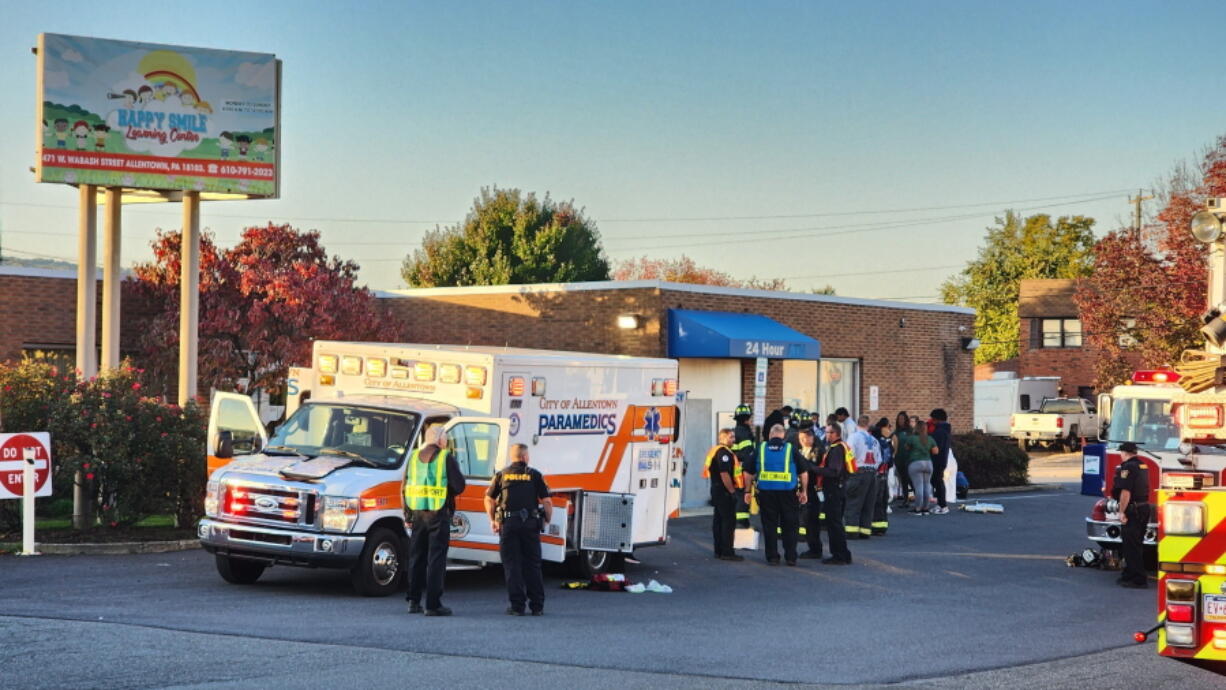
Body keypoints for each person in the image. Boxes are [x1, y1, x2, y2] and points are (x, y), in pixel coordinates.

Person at [404, 426, 466, 616]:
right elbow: (459, 485)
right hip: (438, 512)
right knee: (436, 559)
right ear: (440, 439)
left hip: (417, 511)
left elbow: (405, 485)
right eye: (446, 438)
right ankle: (433, 604)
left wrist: (407, 514)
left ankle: (413, 601)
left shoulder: (414, 457)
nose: (446, 442)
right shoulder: (445, 457)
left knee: (416, 557)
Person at [485, 444, 554, 615]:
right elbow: (547, 501)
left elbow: (488, 499)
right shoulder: (535, 475)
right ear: (524, 457)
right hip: (530, 524)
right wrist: (546, 519)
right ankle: (537, 606)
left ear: (512, 457)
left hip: (508, 524)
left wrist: (492, 519)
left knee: (512, 565)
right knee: (533, 565)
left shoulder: (501, 475)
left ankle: (517, 607)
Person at [745, 424, 808, 566]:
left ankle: (772, 557)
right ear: (783, 435)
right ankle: (791, 557)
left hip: (766, 494)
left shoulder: (760, 448)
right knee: (790, 525)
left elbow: (747, 472)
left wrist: (747, 491)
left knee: (770, 526)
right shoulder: (791, 449)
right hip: (788, 493)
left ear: (769, 435)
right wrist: (804, 491)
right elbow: (803, 472)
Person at [815, 423, 854, 565]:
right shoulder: (841, 446)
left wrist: (814, 469)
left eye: (829, 432)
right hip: (840, 488)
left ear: (836, 433)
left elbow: (833, 471)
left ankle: (839, 555)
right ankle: (844, 553)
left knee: (834, 523)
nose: (827, 435)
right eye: (826, 432)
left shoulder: (836, 449)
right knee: (836, 523)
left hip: (833, 490)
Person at [1113, 442, 1150, 588]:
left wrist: (1121, 512)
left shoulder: (1128, 467)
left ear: (1124, 452)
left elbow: (1125, 492)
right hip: (1143, 508)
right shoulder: (1143, 465)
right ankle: (1129, 573)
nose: (1120, 455)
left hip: (1133, 510)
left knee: (1130, 546)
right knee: (1137, 544)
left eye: (1120, 452)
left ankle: (1138, 579)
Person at [703, 428, 743, 561]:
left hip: (716, 489)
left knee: (719, 521)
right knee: (728, 522)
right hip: (724, 491)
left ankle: (719, 550)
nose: (734, 440)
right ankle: (727, 552)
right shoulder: (723, 453)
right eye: (731, 437)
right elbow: (724, 474)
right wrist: (732, 491)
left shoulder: (716, 451)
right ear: (723, 438)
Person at [843, 415, 881, 539]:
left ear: (857, 424)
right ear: (868, 425)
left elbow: (849, 455)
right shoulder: (874, 440)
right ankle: (865, 531)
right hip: (872, 474)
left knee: (853, 502)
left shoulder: (853, 437)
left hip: (858, 472)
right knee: (868, 504)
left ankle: (852, 531)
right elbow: (879, 459)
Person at [796, 428, 824, 559]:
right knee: (806, 519)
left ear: (811, 438)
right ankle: (812, 547)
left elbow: (811, 467)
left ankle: (815, 549)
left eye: (805, 438)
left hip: (813, 489)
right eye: (800, 439)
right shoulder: (801, 451)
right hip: (802, 489)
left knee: (812, 520)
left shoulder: (817, 451)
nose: (802, 441)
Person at [905, 416, 938, 515]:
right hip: (928, 463)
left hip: (916, 463)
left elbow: (906, 448)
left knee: (918, 487)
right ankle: (926, 508)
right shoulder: (930, 438)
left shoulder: (912, 438)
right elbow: (936, 451)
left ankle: (918, 508)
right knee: (927, 486)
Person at [732, 404, 757, 527]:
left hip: (737, 469)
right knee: (743, 493)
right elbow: (748, 454)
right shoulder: (744, 433)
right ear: (747, 418)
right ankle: (742, 521)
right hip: (743, 470)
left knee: (739, 494)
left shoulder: (736, 431)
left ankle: (740, 520)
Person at [870, 418, 893, 535]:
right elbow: (890, 461)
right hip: (884, 474)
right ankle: (882, 525)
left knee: (875, 500)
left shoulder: (875, 443)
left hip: (876, 474)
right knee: (883, 500)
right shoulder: (886, 443)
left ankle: (875, 526)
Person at [929, 409, 953, 515]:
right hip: (942, 459)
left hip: (937, 460)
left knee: (937, 481)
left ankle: (943, 505)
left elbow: (934, 445)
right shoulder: (944, 430)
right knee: (937, 481)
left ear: (936, 419)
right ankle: (941, 504)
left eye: (932, 419)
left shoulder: (939, 432)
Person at [892, 411, 913, 506]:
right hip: (898, 459)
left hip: (909, 459)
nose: (900, 420)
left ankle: (920, 500)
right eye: (899, 419)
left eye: (902, 419)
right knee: (903, 480)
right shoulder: (896, 432)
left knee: (910, 479)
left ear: (906, 420)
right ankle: (906, 499)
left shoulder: (910, 431)